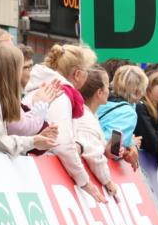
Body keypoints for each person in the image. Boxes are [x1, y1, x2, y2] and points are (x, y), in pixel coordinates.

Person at [24, 44, 105, 202]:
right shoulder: (60, 95)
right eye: (87, 71)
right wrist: (85, 181)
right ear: (77, 74)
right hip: (41, 172)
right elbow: (63, 144)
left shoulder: (45, 87)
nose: (88, 76)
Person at [0, 44, 59, 157]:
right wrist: (32, 141)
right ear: (12, 72)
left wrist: (36, 140)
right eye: (23, 68)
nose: (23, 74)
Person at [75, 67, 118, 199]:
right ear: (99, 92)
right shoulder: (85, 119)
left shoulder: (90, 115)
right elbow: (93, 156)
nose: (110, 90)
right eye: (107, 86)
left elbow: (93, 147)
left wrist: (106, 150)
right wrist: (108, 182)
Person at [97, 64, 147, 171]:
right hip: (99, 164)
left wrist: (131, 143)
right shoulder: (128, 113)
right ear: (138, 92)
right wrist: (126, 150)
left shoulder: (100, 98)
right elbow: (113, 147)